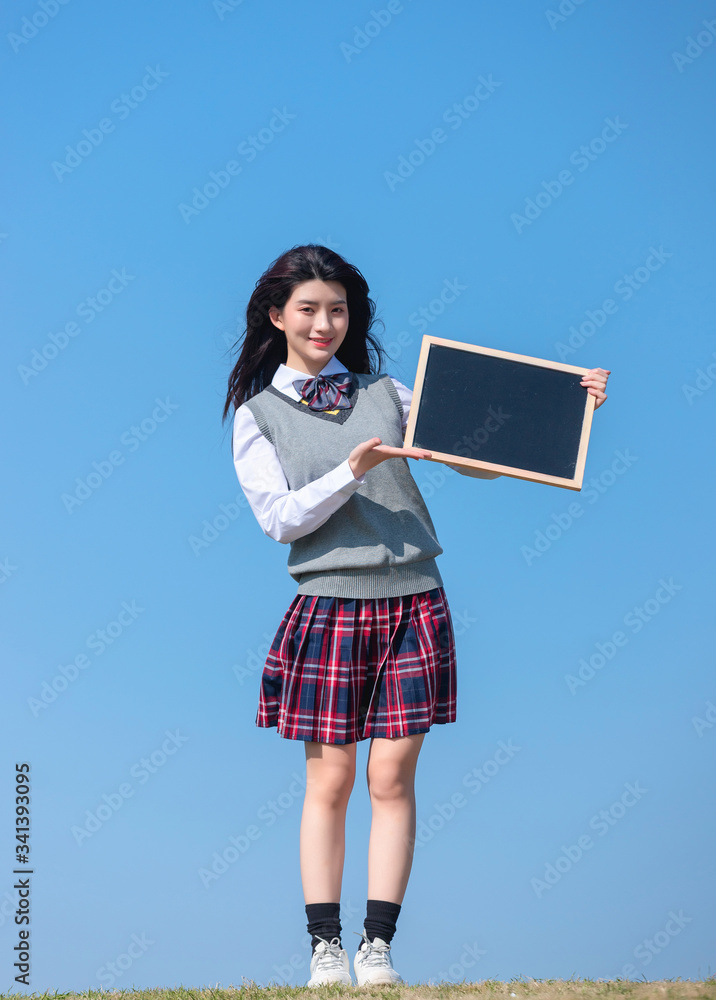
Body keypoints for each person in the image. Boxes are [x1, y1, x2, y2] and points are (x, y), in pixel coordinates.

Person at [223, 244, 610, 987]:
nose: (324, 323)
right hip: (328, 604)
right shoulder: (257, 415)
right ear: (277, 316)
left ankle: (378, 947)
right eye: (308, 308)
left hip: (413, 598)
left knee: (393, 777)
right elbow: (279, 519)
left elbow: (475, 453)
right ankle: (325, 948)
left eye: (337, 309)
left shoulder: (387, 391)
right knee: (330, 781)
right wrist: (352, 471)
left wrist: (572, 402)